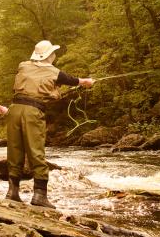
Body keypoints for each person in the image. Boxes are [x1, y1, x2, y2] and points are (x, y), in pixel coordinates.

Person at [5, 40, 94, 208]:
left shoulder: (23, 65)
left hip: (14, 110)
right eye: (53, 53)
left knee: (15, 150)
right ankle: (39, 195)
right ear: (49, 55)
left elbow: (35, 79)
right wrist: (87, 82)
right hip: (32, 111)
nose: (54, 56)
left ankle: (12, 192)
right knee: (36, 151)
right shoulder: (55, 72)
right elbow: (74, 80)